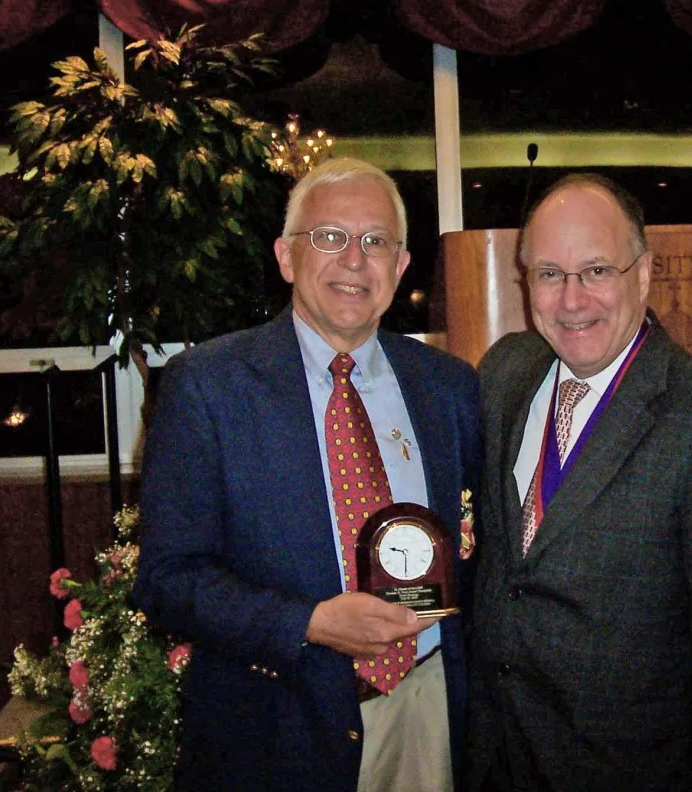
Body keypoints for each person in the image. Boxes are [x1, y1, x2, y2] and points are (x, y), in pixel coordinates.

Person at [134, 157, 481, 792]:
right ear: (287, 257)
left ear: (400, 268)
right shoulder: (208, 389)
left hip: (424, 710)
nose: (354, 259)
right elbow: (167, 579)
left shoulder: (448, 386)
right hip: (275, 725)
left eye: (375, 241)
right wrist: (310, 622)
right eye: (329, 237)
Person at [464, 174, 692, 792]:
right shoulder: (506, 372)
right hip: (495, 758)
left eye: (596, 271)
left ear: (642, 274)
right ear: (525, 281)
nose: (571, 300)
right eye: (548, 273)